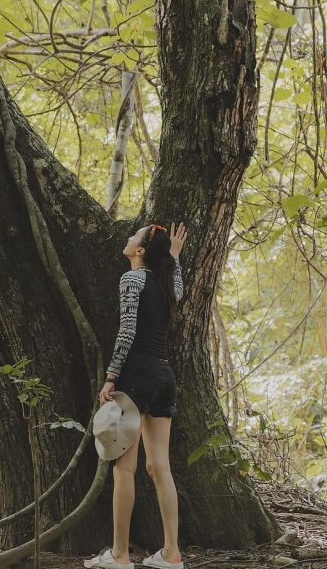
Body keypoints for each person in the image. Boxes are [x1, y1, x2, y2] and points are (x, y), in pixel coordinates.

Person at [86, 221, 188, 569]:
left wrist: (111, 377)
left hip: (136, 375)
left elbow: (127, 331)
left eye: (135, 237)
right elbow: (179, 288)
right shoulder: (164, 284)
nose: (129, 239)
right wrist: (174, 255)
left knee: (124, 469)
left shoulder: (133, 279)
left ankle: (119, 555)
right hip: (164, 375)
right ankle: (172, 553)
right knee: (160, 467)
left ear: (141, 250)